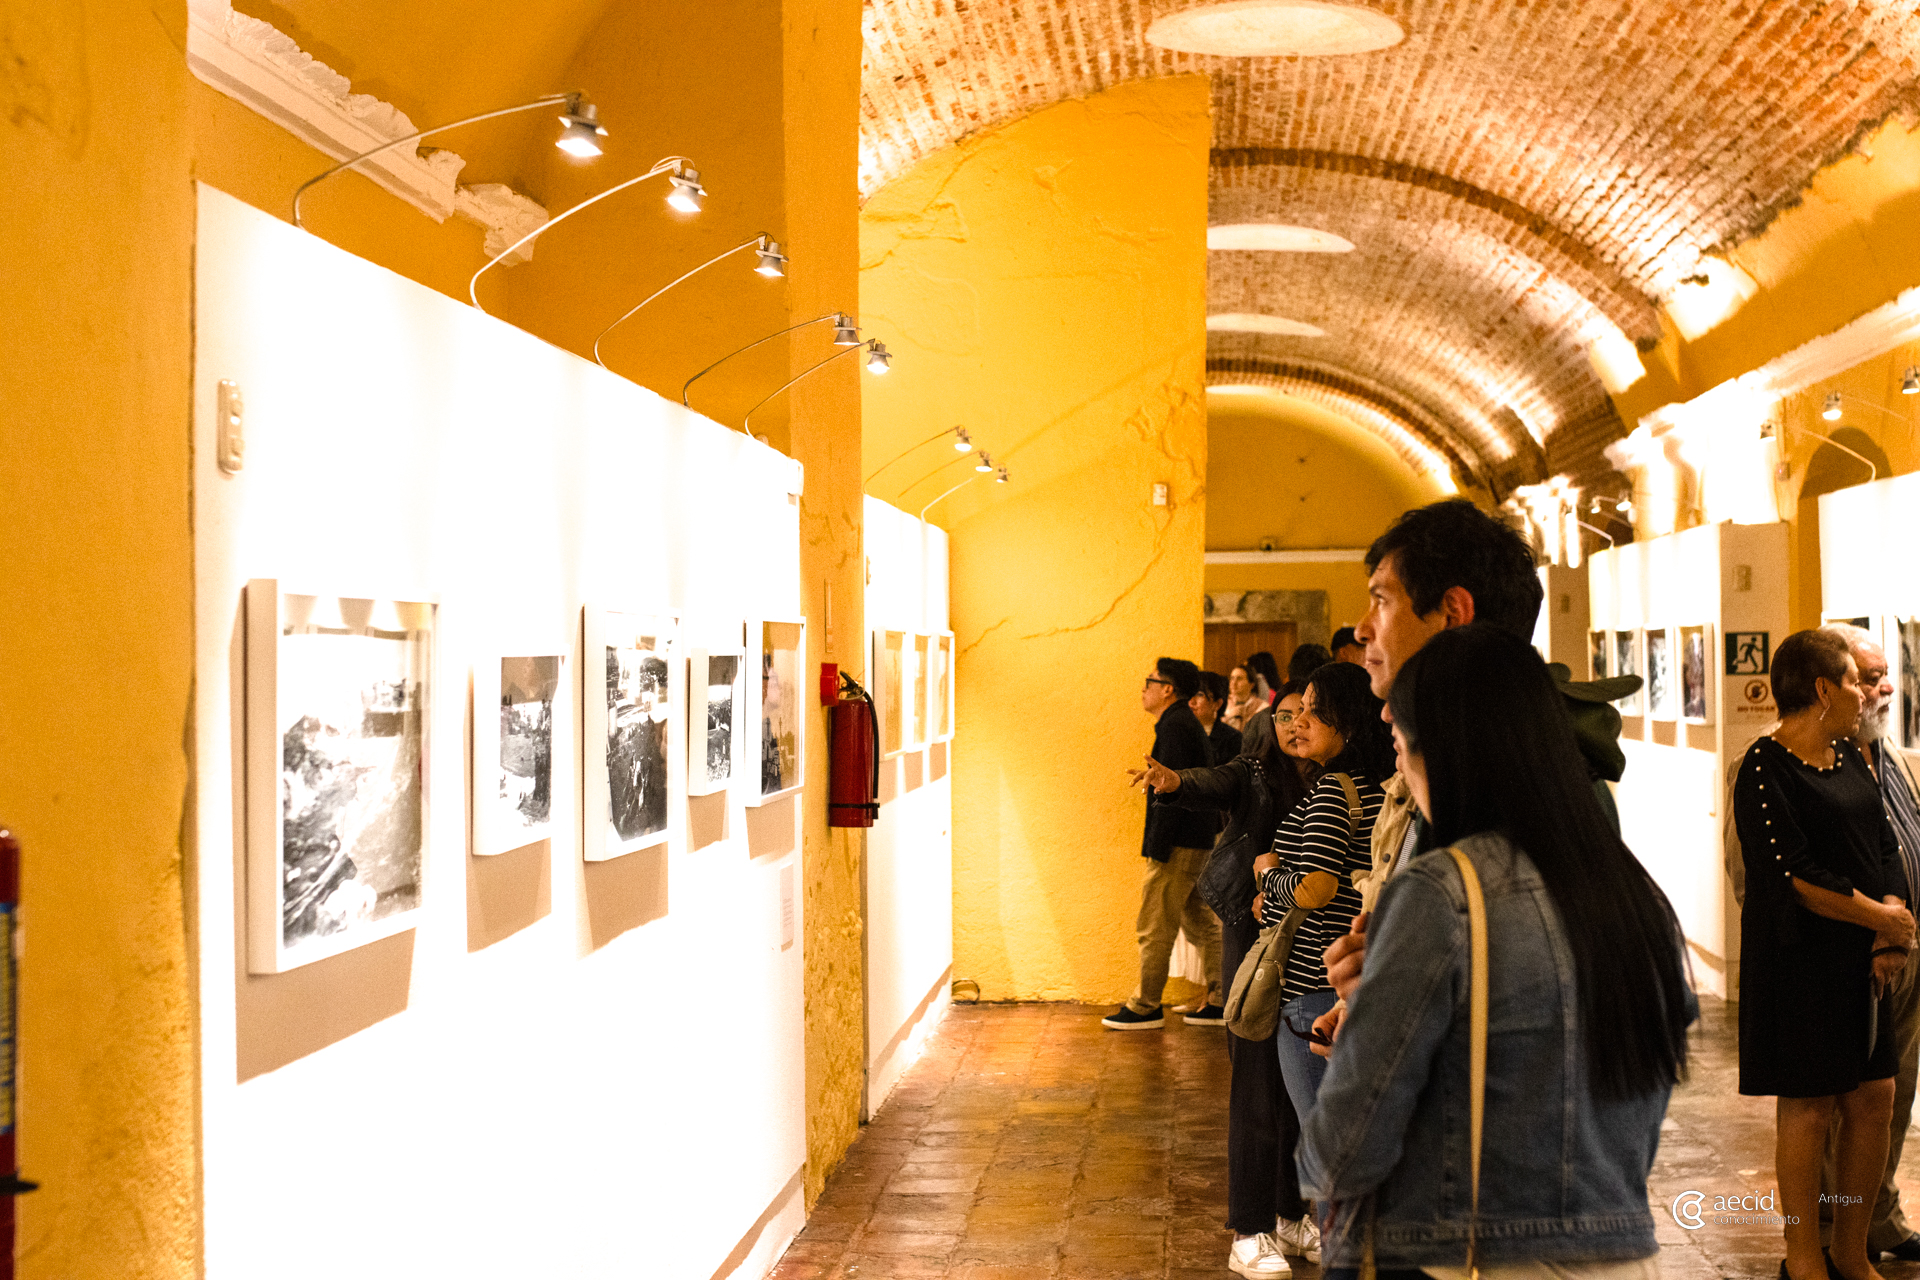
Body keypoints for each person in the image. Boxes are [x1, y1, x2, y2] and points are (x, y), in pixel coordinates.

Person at [1301, 625, 1695, 1278]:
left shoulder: (1442, 891)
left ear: (1448, 749)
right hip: (1622, 1251)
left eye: (1402, 741)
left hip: (1488, 1255)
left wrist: (1369, 1028)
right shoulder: (1633, 892)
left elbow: (1344, 1147)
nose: (1396, 754)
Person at [1312, 498, 1552, 1050]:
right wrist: (1361, 1000)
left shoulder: (1534, 789)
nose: (1362, 629)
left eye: (1381, 600)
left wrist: (1383, 1016)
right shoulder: (1421, 771)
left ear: (1452, 612)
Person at [1735, 629, 1916, 1280]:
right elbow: (1792, 876)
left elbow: (1884, 845)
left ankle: (1851, 1251)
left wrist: (1888, 928)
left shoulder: (1850, 756)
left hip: (1864, 963)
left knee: (1875, 1098)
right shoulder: (1765, 766)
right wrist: (1883, 920)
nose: (1864, 694)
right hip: (1800, 964)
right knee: (1809, 1109)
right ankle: (1805, 1258)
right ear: (1821, 689)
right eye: (1852, 681)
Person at [1135, 681, 1319, 1276]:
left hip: (1306, 942)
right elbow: (1213, 782)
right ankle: (1250, 1229)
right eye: (1286, 715)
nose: (1296, 725)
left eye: (1308, 714)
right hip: (1254, 936)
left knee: (1298, 1082)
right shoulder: (1255, 772)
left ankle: (1290, 1215)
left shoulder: (1330, 779)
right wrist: (1173, 781)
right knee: (1258, 1080)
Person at [1250, 663, 1394, 1128]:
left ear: (1348, 721)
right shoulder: (1377, 785)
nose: (1299, 722)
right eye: (1298, 711)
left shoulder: (1334, 789)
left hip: (1313, 986)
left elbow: (1317, 887)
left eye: (1315, 711)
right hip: (1341, 979)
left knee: (1323, 1135)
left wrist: (1269, 877)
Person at [1104, 657, 1223, 1030]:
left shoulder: (1175, 727)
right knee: (1199, 920)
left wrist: (1158, 848)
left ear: (1168, 689)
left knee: (1154, 923)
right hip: (1195, 839)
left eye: (1150, 681)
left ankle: (1146, 1005)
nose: (1144, 688)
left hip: (1178, 844)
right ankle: (1220, 998)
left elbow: (1170, 794)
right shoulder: (1182, 724)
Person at [1194, 670, 1241, 765]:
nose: (1191, 701)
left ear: (1217, 704)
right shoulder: (1178, 733)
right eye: (1189, 694)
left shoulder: (1233, 739)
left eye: (1199, 695)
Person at [1225, 665, 1266, 732]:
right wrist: (1229, 717)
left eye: (1239, 679)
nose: (1234, 682)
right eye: (1232, 678)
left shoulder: (1262, 707)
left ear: (1251, 685)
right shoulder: (1222, 703)